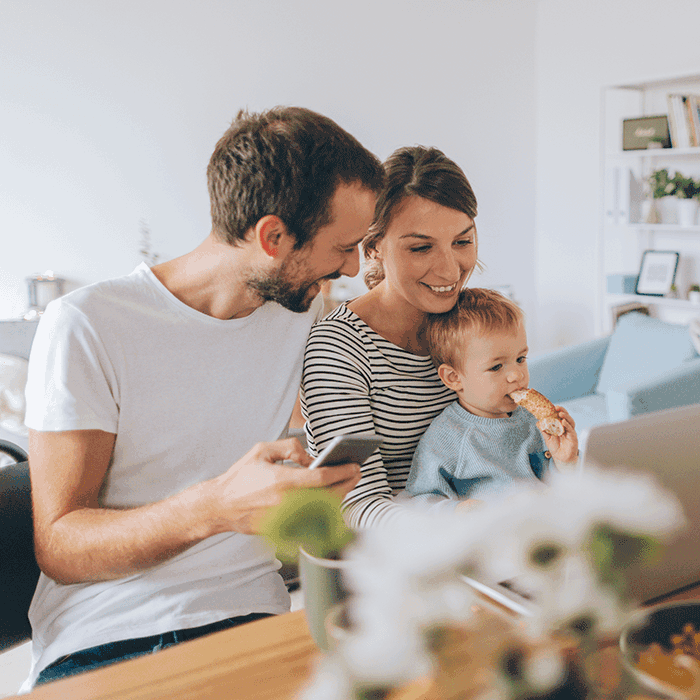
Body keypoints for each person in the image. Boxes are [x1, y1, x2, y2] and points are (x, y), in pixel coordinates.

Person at [22, 106, 384, 688]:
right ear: (273, 237)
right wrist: (216, 507)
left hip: (256, 624)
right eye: (343, 247)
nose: (350, 268)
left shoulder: (304, 317)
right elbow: (60, 545)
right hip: (111, 638)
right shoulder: (88, 324)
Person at [301, 146, 478, 529]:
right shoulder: (339, 348)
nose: (451, 269)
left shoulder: (474, 323)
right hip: (395, 560)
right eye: (420, 247)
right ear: (373, 248)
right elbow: (357, 506)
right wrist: (457, 523)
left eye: (462, 242)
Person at [404, 288, 579, 509]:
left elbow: (562, 488)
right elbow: (419, 502)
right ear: (454, 377)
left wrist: (565, 461)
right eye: (496, 367)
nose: (517, 374)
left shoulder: (532, 420)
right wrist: (459, 511)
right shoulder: (446, 438)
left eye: (520, 358)